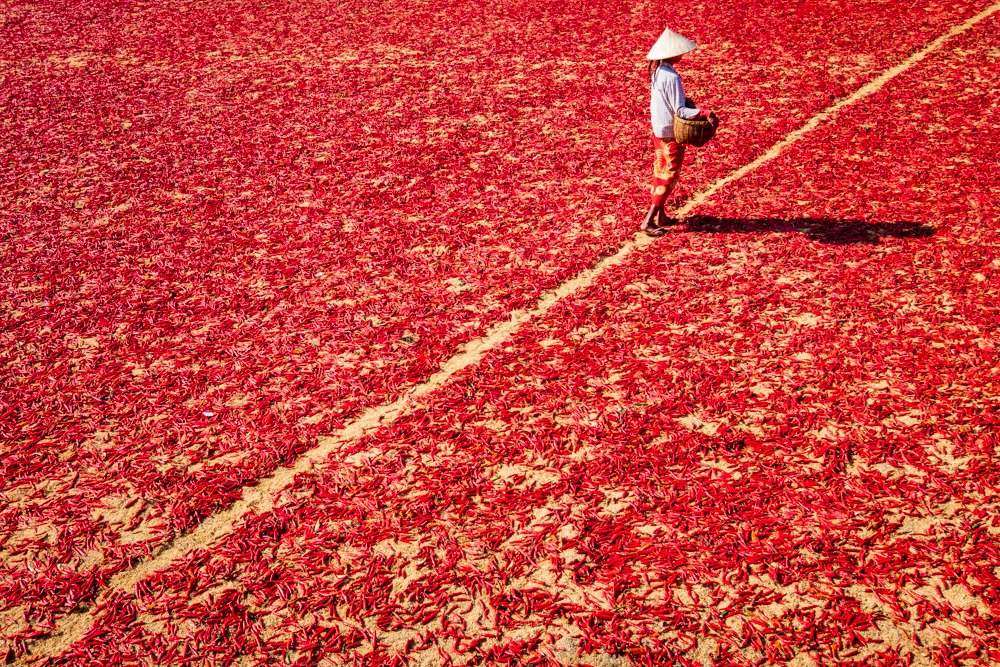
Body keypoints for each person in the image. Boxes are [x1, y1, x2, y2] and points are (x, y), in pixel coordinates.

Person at [641, 27, 714, 237]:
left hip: (659, 129)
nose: (682, 54)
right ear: (672, 54)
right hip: (670, 133)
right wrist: (706, 113)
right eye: (679, 51)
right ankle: (648, 221)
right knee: (669, 174)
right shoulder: (672, 77)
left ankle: (661, 216)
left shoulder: (657, 71)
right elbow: (680, 111)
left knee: (660, 171)